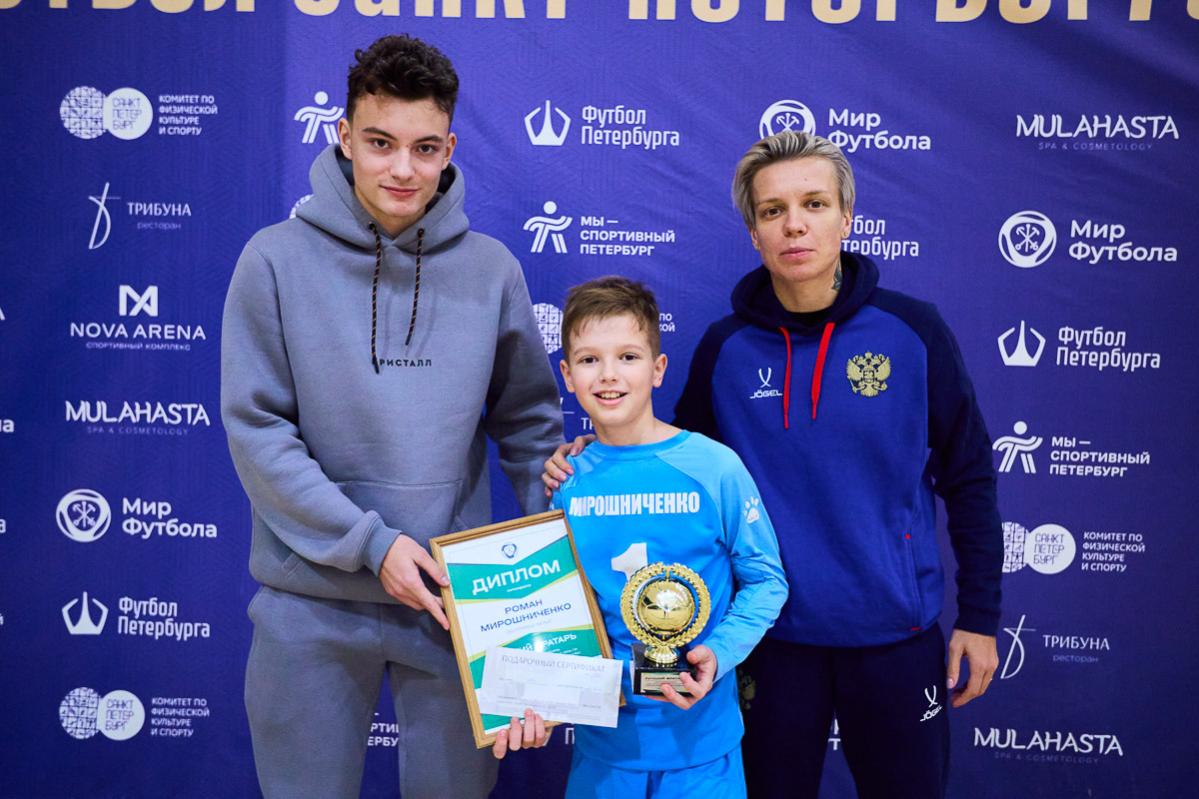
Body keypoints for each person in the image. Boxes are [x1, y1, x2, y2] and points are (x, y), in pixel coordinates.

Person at [544, 132, 1003, 798]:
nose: (794, 224)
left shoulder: (913, 332)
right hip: (769, 645)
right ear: (753, 233)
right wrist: (593, 452)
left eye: (814, 204)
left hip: (894, 638)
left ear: (846, 217)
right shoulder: (725, 348)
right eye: (772, 210)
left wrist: (979, 616)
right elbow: (675, 462)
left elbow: (969, 478)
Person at [220, 34, 562, 799]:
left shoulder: (492, 269)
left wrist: (537, 604)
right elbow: (259, 433)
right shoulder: (272, 261)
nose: (403, 168)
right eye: (380, 143)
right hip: (309, 601)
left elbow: (530, 431)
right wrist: (372, 545)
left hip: (456, 605)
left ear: (449, 149)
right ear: (343, 137)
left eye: (424, 147)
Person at [549, 277, 788, 799]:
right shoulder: (567, 482)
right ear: (567, 375)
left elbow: (767, 581)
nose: (608, 375)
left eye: (628, 357)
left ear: (658, 369)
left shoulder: (715, 468)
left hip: (702, 752)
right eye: (589, 360)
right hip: (604, 752)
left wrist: (718, 652)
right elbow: (553, 610)